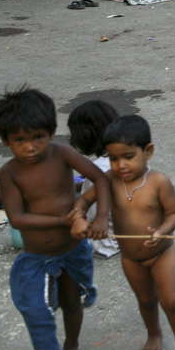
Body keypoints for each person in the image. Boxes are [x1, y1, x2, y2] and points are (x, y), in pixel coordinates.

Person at [0, 87, 111, 350]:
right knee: (36, 311)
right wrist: (64, 219)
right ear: (5, 141)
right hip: (36, 255)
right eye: (20, 140)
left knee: (72, 300)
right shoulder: (9, 173)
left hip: (72, 247)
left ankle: (71, 344)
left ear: (52, 132)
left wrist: (102, 217)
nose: (30, 146)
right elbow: (18, 219)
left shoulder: (63, 154)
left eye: (38, 137)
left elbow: (99, 177)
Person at [71, 115, 175, 350]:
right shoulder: (108, 180)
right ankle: (154, 333)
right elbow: (83, 201)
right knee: (146, 300)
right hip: (131, 258)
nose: (121, 165)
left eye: (129, 156)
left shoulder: (158, 182)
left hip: (162, 253)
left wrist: (162, 231)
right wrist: (78, 217)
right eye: (114, 158)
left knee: (171, 302)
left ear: (148, 151)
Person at [67, 101, 120, 258]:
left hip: (104, 242)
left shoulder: (98, 171)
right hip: (128, 238)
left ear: (85, 134)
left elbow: (91, 214)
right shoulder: (128, 161)